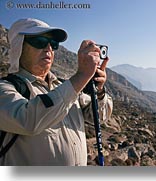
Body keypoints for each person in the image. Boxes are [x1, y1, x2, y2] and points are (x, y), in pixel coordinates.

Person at [0, 18, 113, 166]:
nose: (48, 49)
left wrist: (98, 91)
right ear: (19, 47)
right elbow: (28, 120)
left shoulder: (63, 86)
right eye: (39, 42)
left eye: (53, 44)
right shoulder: (6, 89)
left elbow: (100, 116)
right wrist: (81, 77)